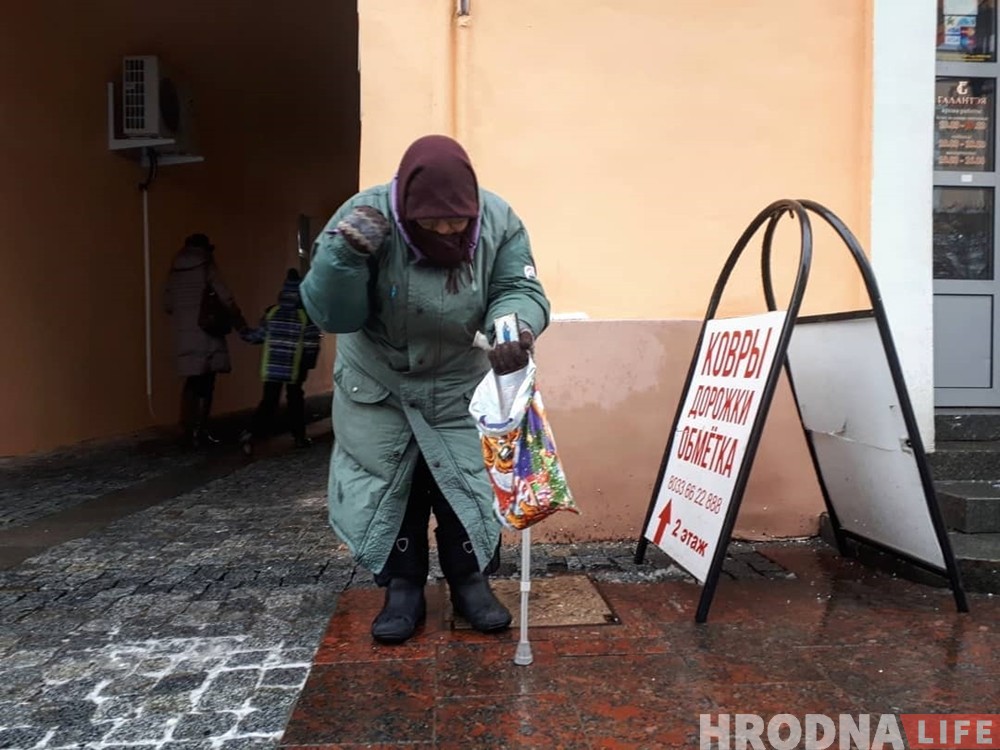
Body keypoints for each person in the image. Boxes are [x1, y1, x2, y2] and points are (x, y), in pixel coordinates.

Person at [300, 134, 550, 644]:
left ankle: (470, 583)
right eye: (430, 222)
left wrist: (514, 328)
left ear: (472, 208)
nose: (444, 229)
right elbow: (333, 315)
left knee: (464, 485)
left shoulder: (499, 220)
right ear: (406, 208)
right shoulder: (363, 217)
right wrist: (343, 258)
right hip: (380, 386)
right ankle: (403, 589)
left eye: (455, 220)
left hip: (458, 382)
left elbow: (517, 289)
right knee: (396, 485)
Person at [163, 233, 245, 448]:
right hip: (206, 331)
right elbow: (224, 296)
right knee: (207, 382)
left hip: (184, 332)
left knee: (191, 381)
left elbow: (168, 303)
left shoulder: (175, 269)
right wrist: (240, 323)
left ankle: (187, 428)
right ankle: (201, 429)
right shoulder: (206, 265)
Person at [239, 268, 322, 455]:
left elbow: (258, 336)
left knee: (269, 401)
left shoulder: (272, 312)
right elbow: (311, 342)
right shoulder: (306, 316)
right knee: (295, 400)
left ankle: (252, 433)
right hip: (295, 366)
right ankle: (299, 437)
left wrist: (242, 331)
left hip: (272, 367)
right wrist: (310, 361)